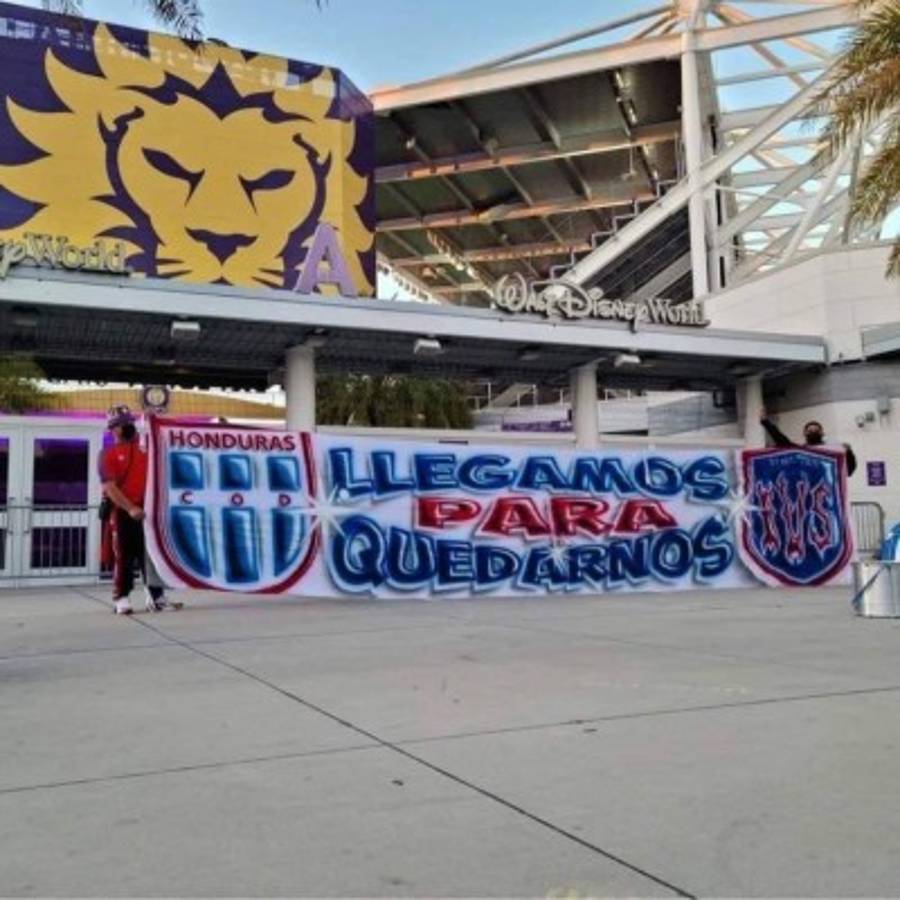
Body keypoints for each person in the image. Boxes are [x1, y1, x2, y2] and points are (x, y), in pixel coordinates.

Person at [100, 406, 181, 615]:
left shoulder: (147, 447)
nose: (127, 426)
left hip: (149, 510)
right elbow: (110, 487)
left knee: (154, 555)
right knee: (123, 556)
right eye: (120, 424)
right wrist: (130, 507)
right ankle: (121, 597)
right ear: (112, 429)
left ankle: (156, 597)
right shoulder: (107, 455)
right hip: (123, 512)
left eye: (129, 421)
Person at [759, 411, 857, 476]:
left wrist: (848, 454)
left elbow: (848, 471)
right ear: (805, 433)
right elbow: (781, 440)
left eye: (816, 430)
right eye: (810, 430)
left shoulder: (832, 453)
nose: (813, 431)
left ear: (822, 433)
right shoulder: (800, 452)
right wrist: (766, 423)